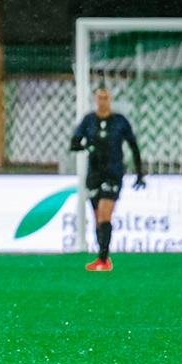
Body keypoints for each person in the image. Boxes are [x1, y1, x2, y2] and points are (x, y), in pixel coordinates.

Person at [67, 85, 145, 270]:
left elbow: (134, 146)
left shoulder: (120, 121)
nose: (102, 101)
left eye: (106, 98)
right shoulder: (89, 121)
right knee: (97, 217)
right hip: (94, 174)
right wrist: (88, 147)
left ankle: (103, 259)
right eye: (99, 97)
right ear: (95, 100)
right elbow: (73, 144)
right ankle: (103, 258)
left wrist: (140, 173)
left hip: (113, 173)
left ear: (110, 100)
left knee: (104, 213)